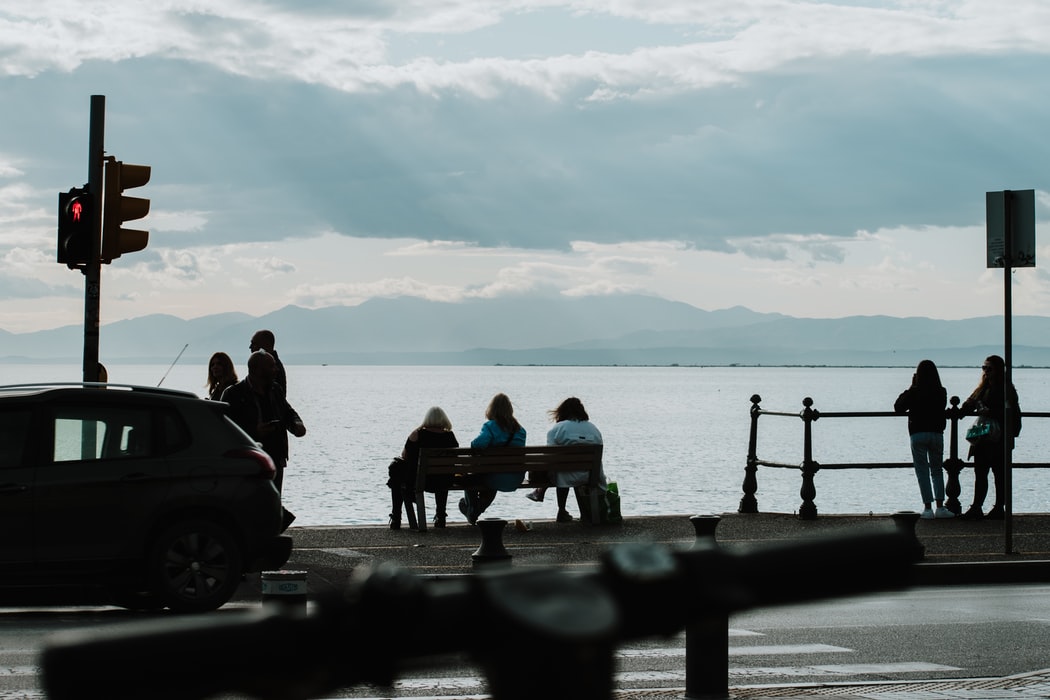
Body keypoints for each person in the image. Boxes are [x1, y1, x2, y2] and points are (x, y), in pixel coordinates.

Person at [221, 350, 306, 531]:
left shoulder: (275, 389)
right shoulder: (234, 394)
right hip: (248, 459)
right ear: (258, 370)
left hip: (275, 455)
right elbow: (225, 429)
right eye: (272, 366)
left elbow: (287, 411)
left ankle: (269, 536)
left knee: (273, 500)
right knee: (251, 501)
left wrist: (297, 424)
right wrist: (254, 430)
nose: (276, 369)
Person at [959, 354, 1021, 520]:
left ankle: (998, 507)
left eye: (989, 368)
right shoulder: (983, 388)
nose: (986, 371)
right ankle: (978, 506)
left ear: (998, 370)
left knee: (998, 473)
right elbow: (970, 401)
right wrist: (960, 411)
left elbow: (1010, 411)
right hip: (984, 436)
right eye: (984, 368)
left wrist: (990, 412)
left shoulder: (1006, 389)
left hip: (999, 437)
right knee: (981, 472)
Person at [526, 397, 606, 523]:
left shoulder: (557, 428)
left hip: (564, 476)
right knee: (569, 471)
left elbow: (550, 457)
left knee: (563, 471)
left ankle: (560, 509)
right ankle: (586, 514)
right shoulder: (594, 429)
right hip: (589, 475)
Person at [893, 360, 951, 520]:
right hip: (936, 434)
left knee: (922, 471)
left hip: (918, 433)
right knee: (937, 470)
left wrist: (912, 387)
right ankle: (940, 507)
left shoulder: (915, 392)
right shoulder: (941, 391)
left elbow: (898, 407)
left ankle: (927, 508)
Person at [459, 393, 526, 524]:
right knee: (489, 479)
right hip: (515, 478)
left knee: (469, 479)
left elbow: (478, 444)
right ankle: (474, 511)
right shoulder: (520, 430)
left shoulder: (490, 426)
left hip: (494, 477)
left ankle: (472, 510)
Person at [391, 406, 459, 529]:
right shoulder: (450, 436)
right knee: (441, 474)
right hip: (444, 480)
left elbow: (404, 456)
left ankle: (396, 518)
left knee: (396, 473)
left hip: (420, 481)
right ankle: (441, 517)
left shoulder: (417, 434)